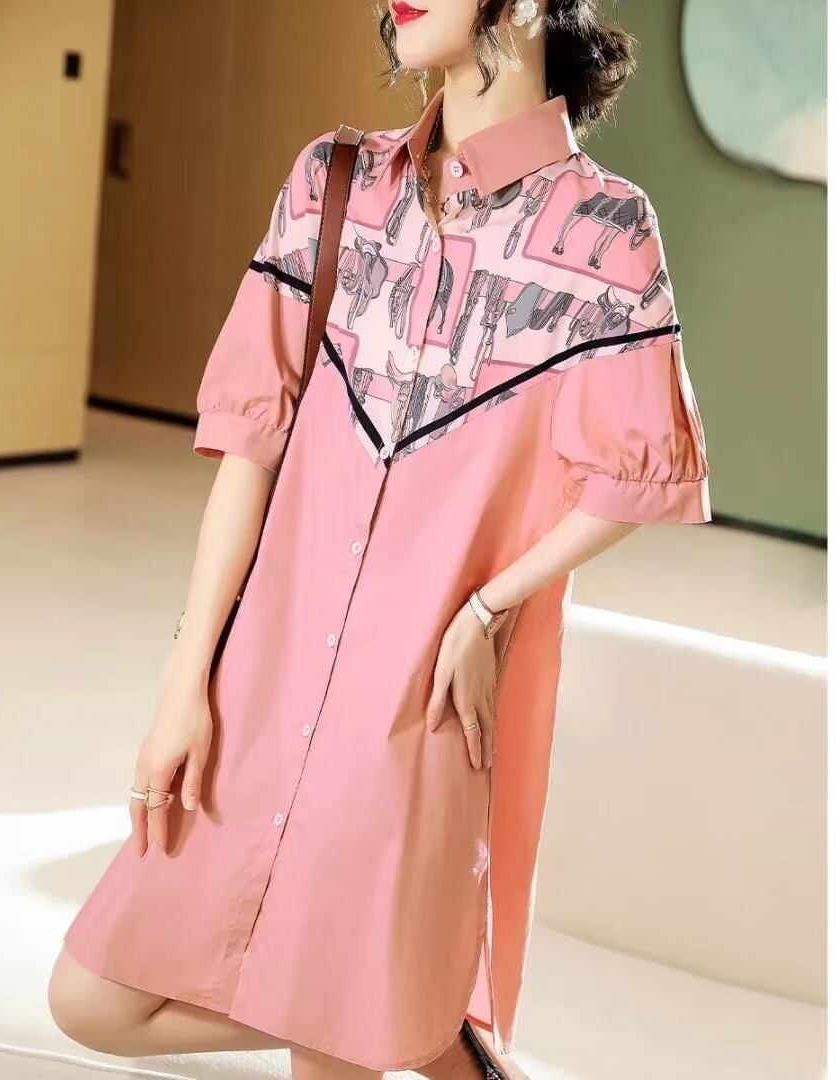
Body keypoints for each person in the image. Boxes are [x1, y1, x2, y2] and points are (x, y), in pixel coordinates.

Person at [47, 2, 711, 1079]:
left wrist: (489, 608)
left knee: (332, 1049)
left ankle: (394, 1011)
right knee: (90, 999)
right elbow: (250, 443)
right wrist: (185, 682)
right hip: (264, 680)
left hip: (417, 703)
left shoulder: (607, 229)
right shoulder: (334, 181)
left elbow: (640, 476)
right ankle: (424, 1020)